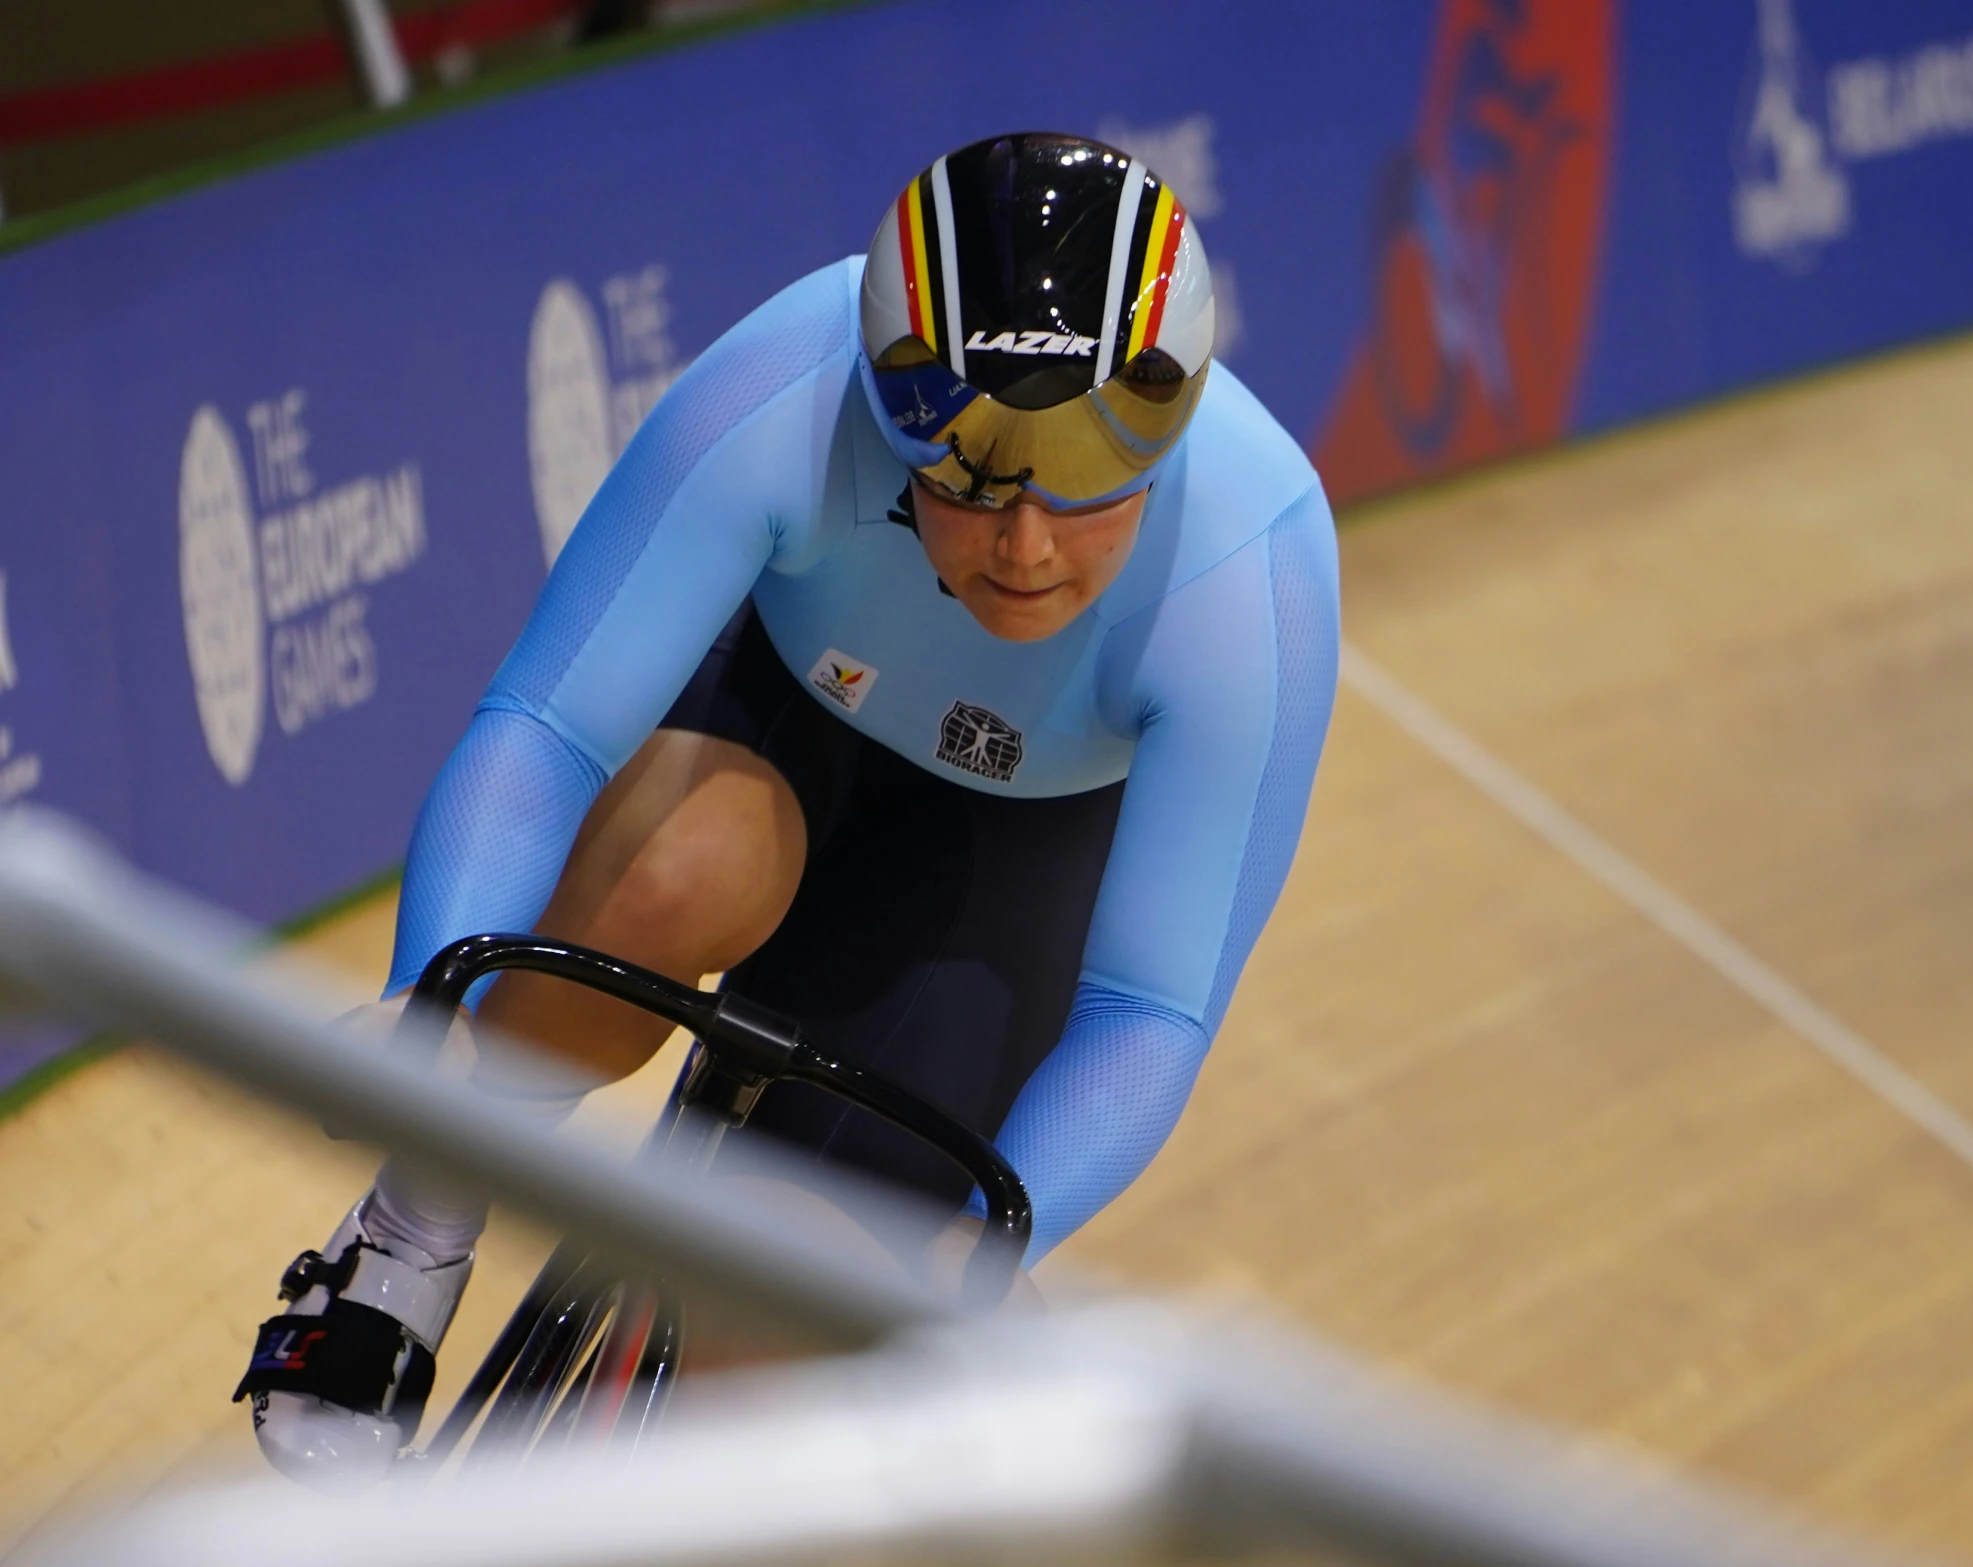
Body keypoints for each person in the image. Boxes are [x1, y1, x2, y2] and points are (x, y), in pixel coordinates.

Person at [232, 131, 1341, 1486]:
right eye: (976, 475)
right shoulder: (790, 381)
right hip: (779, 719)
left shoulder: (1257, 566)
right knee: (676, 873)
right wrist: (428, 1010)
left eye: (1089, 483)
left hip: (1009, 858)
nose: (1028, 544)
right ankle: (408, 1232)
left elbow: (1147, 1015)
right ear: (895, 411)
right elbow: (548, 728)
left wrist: (975, 1258)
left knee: (780, 1357)